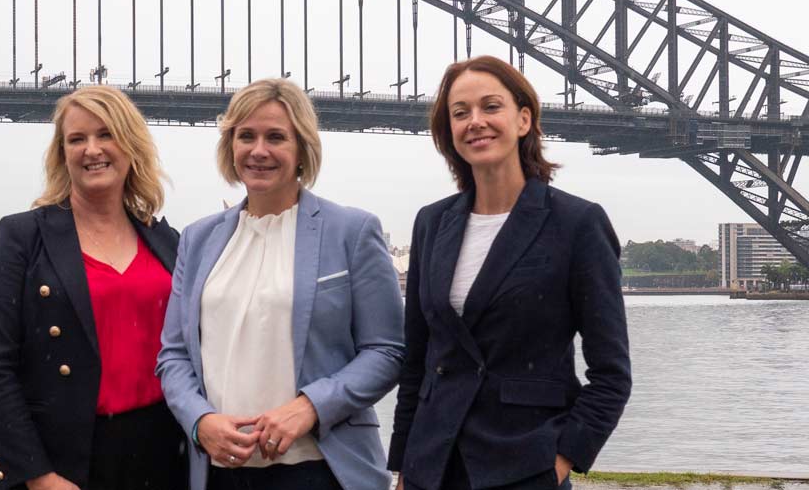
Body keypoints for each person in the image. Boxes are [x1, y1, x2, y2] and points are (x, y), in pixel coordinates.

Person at [388, 56, 632, 490]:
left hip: (524, 464)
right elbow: (418, 360)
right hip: (433, 464)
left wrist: (561, 460)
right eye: (460, 113)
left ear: (524, 119)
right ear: (449, 133)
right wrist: (405, 463)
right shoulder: (431, 222)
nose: (475, 122)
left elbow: (611, 373)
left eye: (490, 107)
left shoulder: (577, 223)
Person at [158, 78, 404, 490]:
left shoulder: (351, 231)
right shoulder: (197, 240)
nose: (259, 150)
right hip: (219, 475)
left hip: (320, 471)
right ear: (230, 146)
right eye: (246, 136)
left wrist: (312, 406)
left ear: (302, 148)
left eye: (276, 137)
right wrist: (201, 422)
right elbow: (174, 355)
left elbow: (388, 350)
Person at [0, 85, 187, 490]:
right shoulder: (22, 237)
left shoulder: (166, 240)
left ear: (131, 144)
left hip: (160, 455)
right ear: (62, 153)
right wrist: (37, 474)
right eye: (77, 139)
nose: (92, 149)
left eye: (106, 134)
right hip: (59, 460)